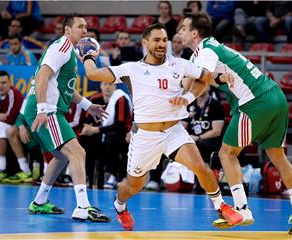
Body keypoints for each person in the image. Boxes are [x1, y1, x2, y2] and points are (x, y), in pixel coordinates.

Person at [78, 23, 243, 231]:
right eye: (156, 40)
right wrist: (87, 56)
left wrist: (189, 96)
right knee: (132, 186)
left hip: (174, 131)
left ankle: (221, 206)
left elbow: (207, 77)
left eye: (165, 40)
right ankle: (120, 207)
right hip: (146, 137)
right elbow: (93, 74)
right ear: (145, 43)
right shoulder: (132, 69)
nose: (162, 44)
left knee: (201, 167)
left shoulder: (179, 64)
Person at [179, 13, 292, 234]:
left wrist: (184, 97)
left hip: (254, 102)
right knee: (277, 155)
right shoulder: (211, 48)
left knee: (227, 153)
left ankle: (242, 209)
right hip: (276, 96)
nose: (180, 32)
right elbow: (201, 78)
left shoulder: (205, 50)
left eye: (183, 28)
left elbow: (202, 80)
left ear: (194, 32)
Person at [24, 15, 110, 222]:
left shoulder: (70, 52)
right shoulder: (61, 48)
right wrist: (43, 109)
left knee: (62, 156)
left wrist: (88, 106)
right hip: (46, 110)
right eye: (80, 27)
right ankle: (83, 207)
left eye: (86, 27)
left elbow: (66, 89)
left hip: (50, 109)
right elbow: (42, 76)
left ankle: (39, 202)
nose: (85, 31)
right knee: (77, 152)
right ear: (67, 31)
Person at [80, 82, 132, 189]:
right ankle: (85, 175)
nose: (107, 87)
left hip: (123, 134)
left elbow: (120, 125)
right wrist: (88, 129)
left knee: (112, 137)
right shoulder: (95, 99)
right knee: (85, 138)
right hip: (100, 132)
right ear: (100, 86)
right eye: (105, 84)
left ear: (115, 86)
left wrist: (97, 129)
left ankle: (112, 175)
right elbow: (87, 119)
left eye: (111, 84)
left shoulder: (120, 98)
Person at [182, 86, 225, 193]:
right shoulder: (190, 105)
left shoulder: (215, 105)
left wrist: (198, 137)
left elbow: (217, 131)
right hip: (192, 139)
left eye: (202, 85)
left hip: (211, 140)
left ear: (208, 88)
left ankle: (201, 183)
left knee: (200, 145)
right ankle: (158, 180)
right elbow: (182, 127)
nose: (199, 87)